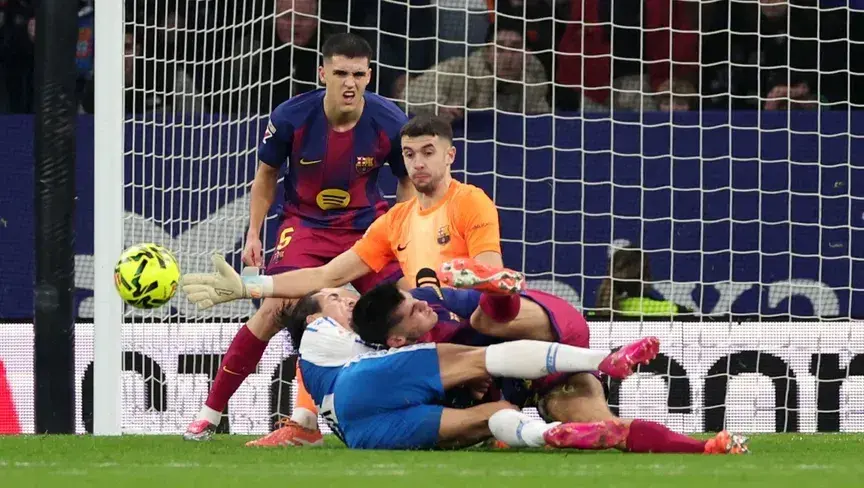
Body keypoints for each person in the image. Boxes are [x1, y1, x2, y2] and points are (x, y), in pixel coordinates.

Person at [183, 32, 413, 443]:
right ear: (322, 73)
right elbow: (266, 176)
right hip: (306, 225)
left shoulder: (390, 121)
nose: (349, 83)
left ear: (369, 75)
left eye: (358, 74)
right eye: (340, 73)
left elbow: (406, 183)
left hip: (367, 228)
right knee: (276, 308)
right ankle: (209, 414)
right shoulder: (292, 116)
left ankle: (454, 411)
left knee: (409, 306)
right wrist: (254, 232)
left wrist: (403, 234)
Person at [347, 261, 749, 454]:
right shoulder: (395, 371)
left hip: (547, 331)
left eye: (413, 299)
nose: (422, 305)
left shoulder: (434, 298)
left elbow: (494, 323)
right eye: (412, 311)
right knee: (607, 430)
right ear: (396, 339)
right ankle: (705, 447)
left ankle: (498, 289)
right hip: (531, 385)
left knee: (485, 318)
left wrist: (495, 300)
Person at [180, 115, 510, 314]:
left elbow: (492, 276)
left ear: (450, 155)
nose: (418, 163)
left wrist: (445, 295)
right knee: (331, 329)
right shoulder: (394, 221)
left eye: (428, 152)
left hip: (473, 325)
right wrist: (247, 286)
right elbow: (325, 276)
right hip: (425, 336)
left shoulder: (470, 201)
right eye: (409, 154)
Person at [278, 287, 658, 450]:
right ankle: (602, 359)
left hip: (364, 434)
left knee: (495, 415)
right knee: (482, 359)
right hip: (362, 385)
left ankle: (547, 434)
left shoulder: (325, 357)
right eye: (334, 298)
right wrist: (261, 286)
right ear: (314, 318)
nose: (346, 299)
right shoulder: (319, 332)